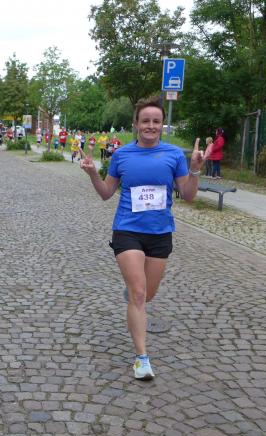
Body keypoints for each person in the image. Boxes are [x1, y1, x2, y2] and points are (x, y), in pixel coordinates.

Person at [77, 95, 203, 381]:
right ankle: (142, 358)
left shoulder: (173, 155)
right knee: (138, 293)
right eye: (145, 121)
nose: (151, 126)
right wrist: (93, 174)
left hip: (160, 233)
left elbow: (188, 195)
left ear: (162, 124)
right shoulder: (122, 155)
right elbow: (106, 193)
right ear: (135, 124)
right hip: (128, 230)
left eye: (156, 121)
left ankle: (137, 295)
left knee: (148, 294)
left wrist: (195, 170)